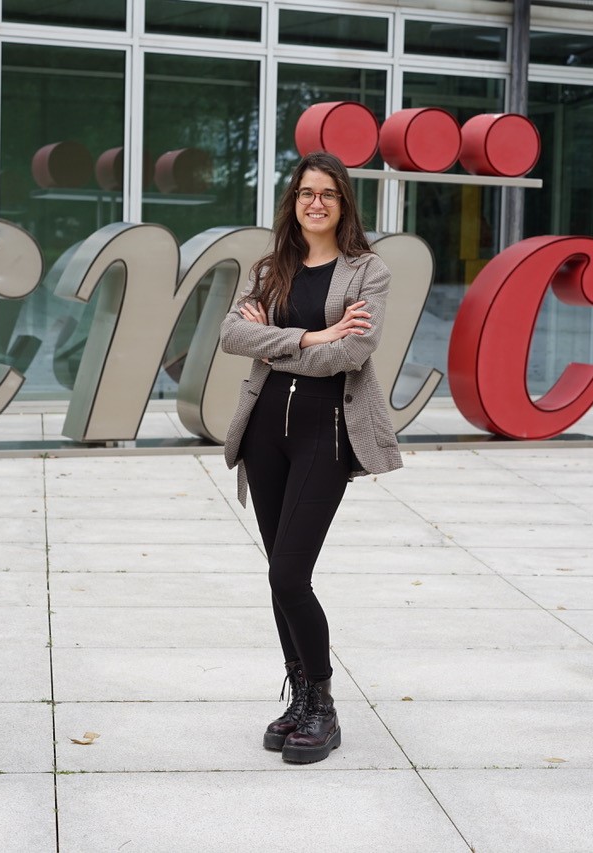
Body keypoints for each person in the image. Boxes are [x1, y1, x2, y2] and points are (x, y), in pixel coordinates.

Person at [220, 151, 402, 764]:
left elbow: (352, 353)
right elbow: (230, 335)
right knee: (279, 573)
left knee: (288, 574)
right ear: (292, 201)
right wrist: (311, 335)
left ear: (344, 202)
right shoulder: (269, 267)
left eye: (327, 193)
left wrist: (283, 345)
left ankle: (323, 704)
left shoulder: (367, 272)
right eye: (305, 193)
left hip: (326, 431)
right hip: (264, 428)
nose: (315, 203)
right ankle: (298, 696)